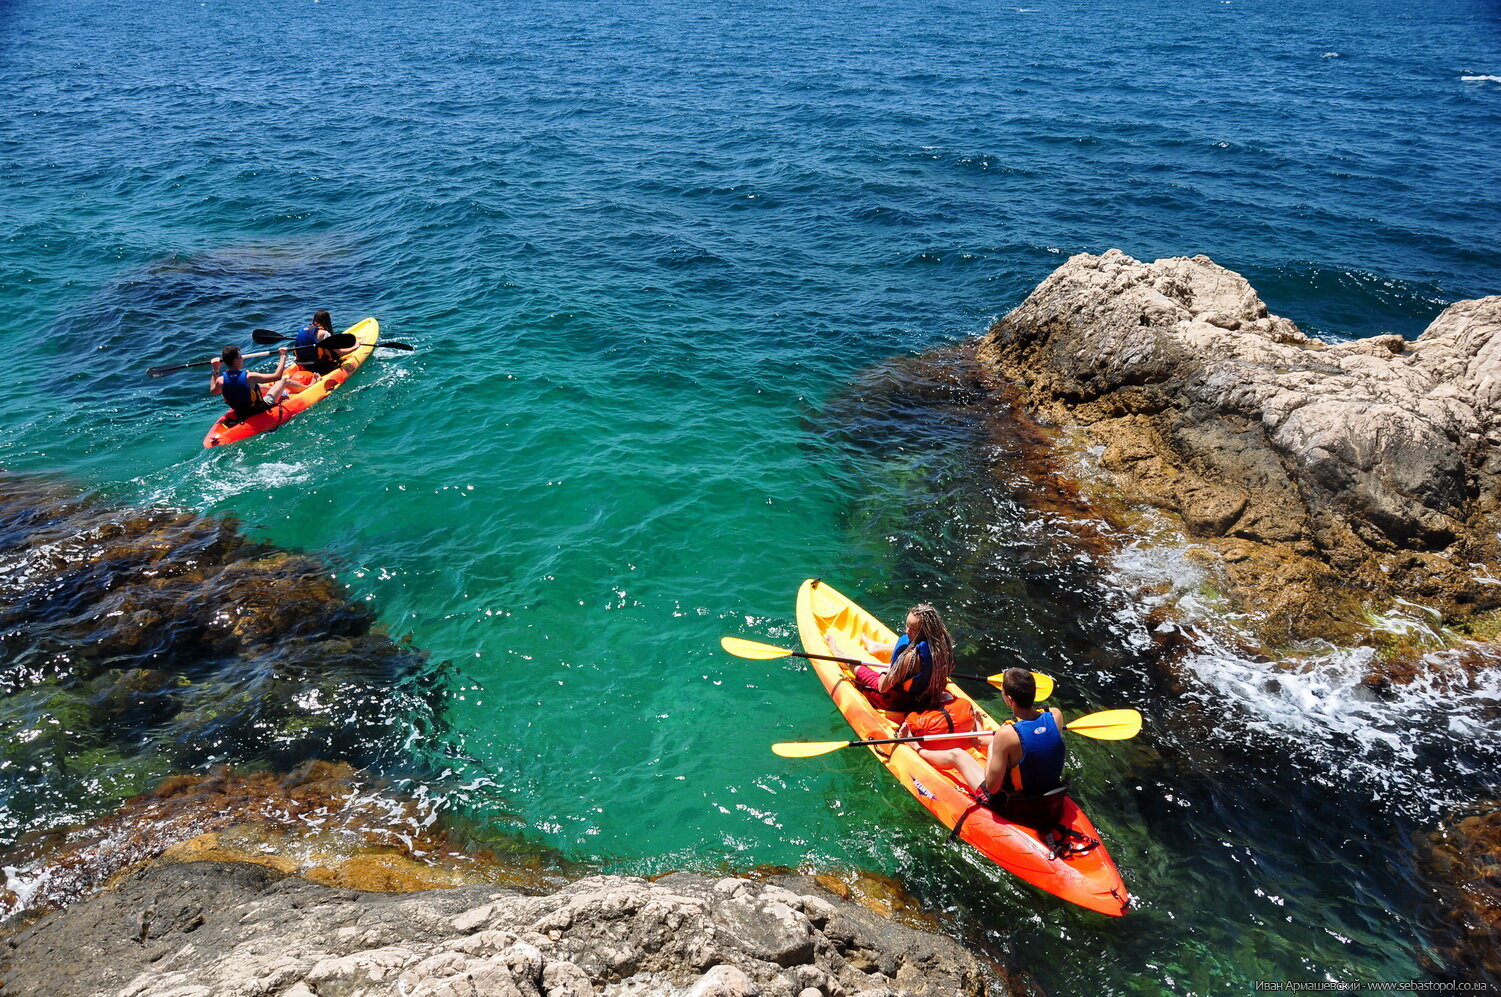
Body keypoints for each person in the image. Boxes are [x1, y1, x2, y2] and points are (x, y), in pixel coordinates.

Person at [828, 604, 979, 760]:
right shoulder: (942, 645)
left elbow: (883, 686)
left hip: (899, 701)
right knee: (906, 646)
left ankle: (841, 656)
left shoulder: (910, 658)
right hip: (927, 698)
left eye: (912, 629)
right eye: (907, 625)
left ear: (925, 630)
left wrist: (885, 674)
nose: (907, 631)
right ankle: (877, 646)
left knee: (866, 674)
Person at [933, 668, 1067, 827]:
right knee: (996, 745)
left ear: (1009, 699)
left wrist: (992, 747)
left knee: (957, 755)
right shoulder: (1055, 715)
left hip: (1015, 804)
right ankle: (983, 736)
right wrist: (992, 741)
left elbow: (993, 787)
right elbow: (1034, 739)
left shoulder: (1006, 734)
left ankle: (917, 749)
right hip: (1049, 796)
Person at [210, 345, 290, 418]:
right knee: (284, 380)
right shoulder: (250, 377)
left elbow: (214, 391)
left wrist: (216, 369)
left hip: (240, 412)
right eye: (240, 356)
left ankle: (279, 392)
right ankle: (302, 389)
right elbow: (277, 376)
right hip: (259, 409)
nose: (242, 358)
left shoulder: (220, 380)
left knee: (257, 386)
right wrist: (283, 356)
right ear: (235, 361)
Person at [291, 310, 350, 376]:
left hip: (304, 365)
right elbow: (340, 352)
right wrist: (356, 346)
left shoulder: (303, 330)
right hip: (321, 367)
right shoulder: (324, 333)